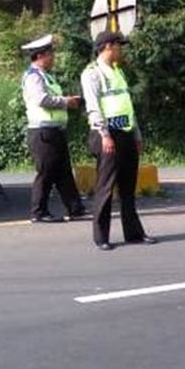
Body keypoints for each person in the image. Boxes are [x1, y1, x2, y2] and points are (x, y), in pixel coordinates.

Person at [82, 30, 155, 251]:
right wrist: (104, 135)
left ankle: (133, 233)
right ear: (107, 47)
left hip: (125, 134)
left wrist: (137, 135)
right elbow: (93, 107)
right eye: (118, 46)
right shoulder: (92, 73)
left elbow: (127, 106)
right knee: (105, 188)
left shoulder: (117, 72)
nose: (121, 50)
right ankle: (101, 236)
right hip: (108, 136)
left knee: (127, 187)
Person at [19, 34, 87, 224]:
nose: (53, 58)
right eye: (50, 54)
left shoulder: (45, 76)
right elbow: (41, 99)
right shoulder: (33, 77)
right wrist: (66, 102)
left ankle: (75, 208)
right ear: (40, 56)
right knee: (47, 172)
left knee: (63, 170)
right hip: (43, 132)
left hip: (54, 130)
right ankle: (38, 212)